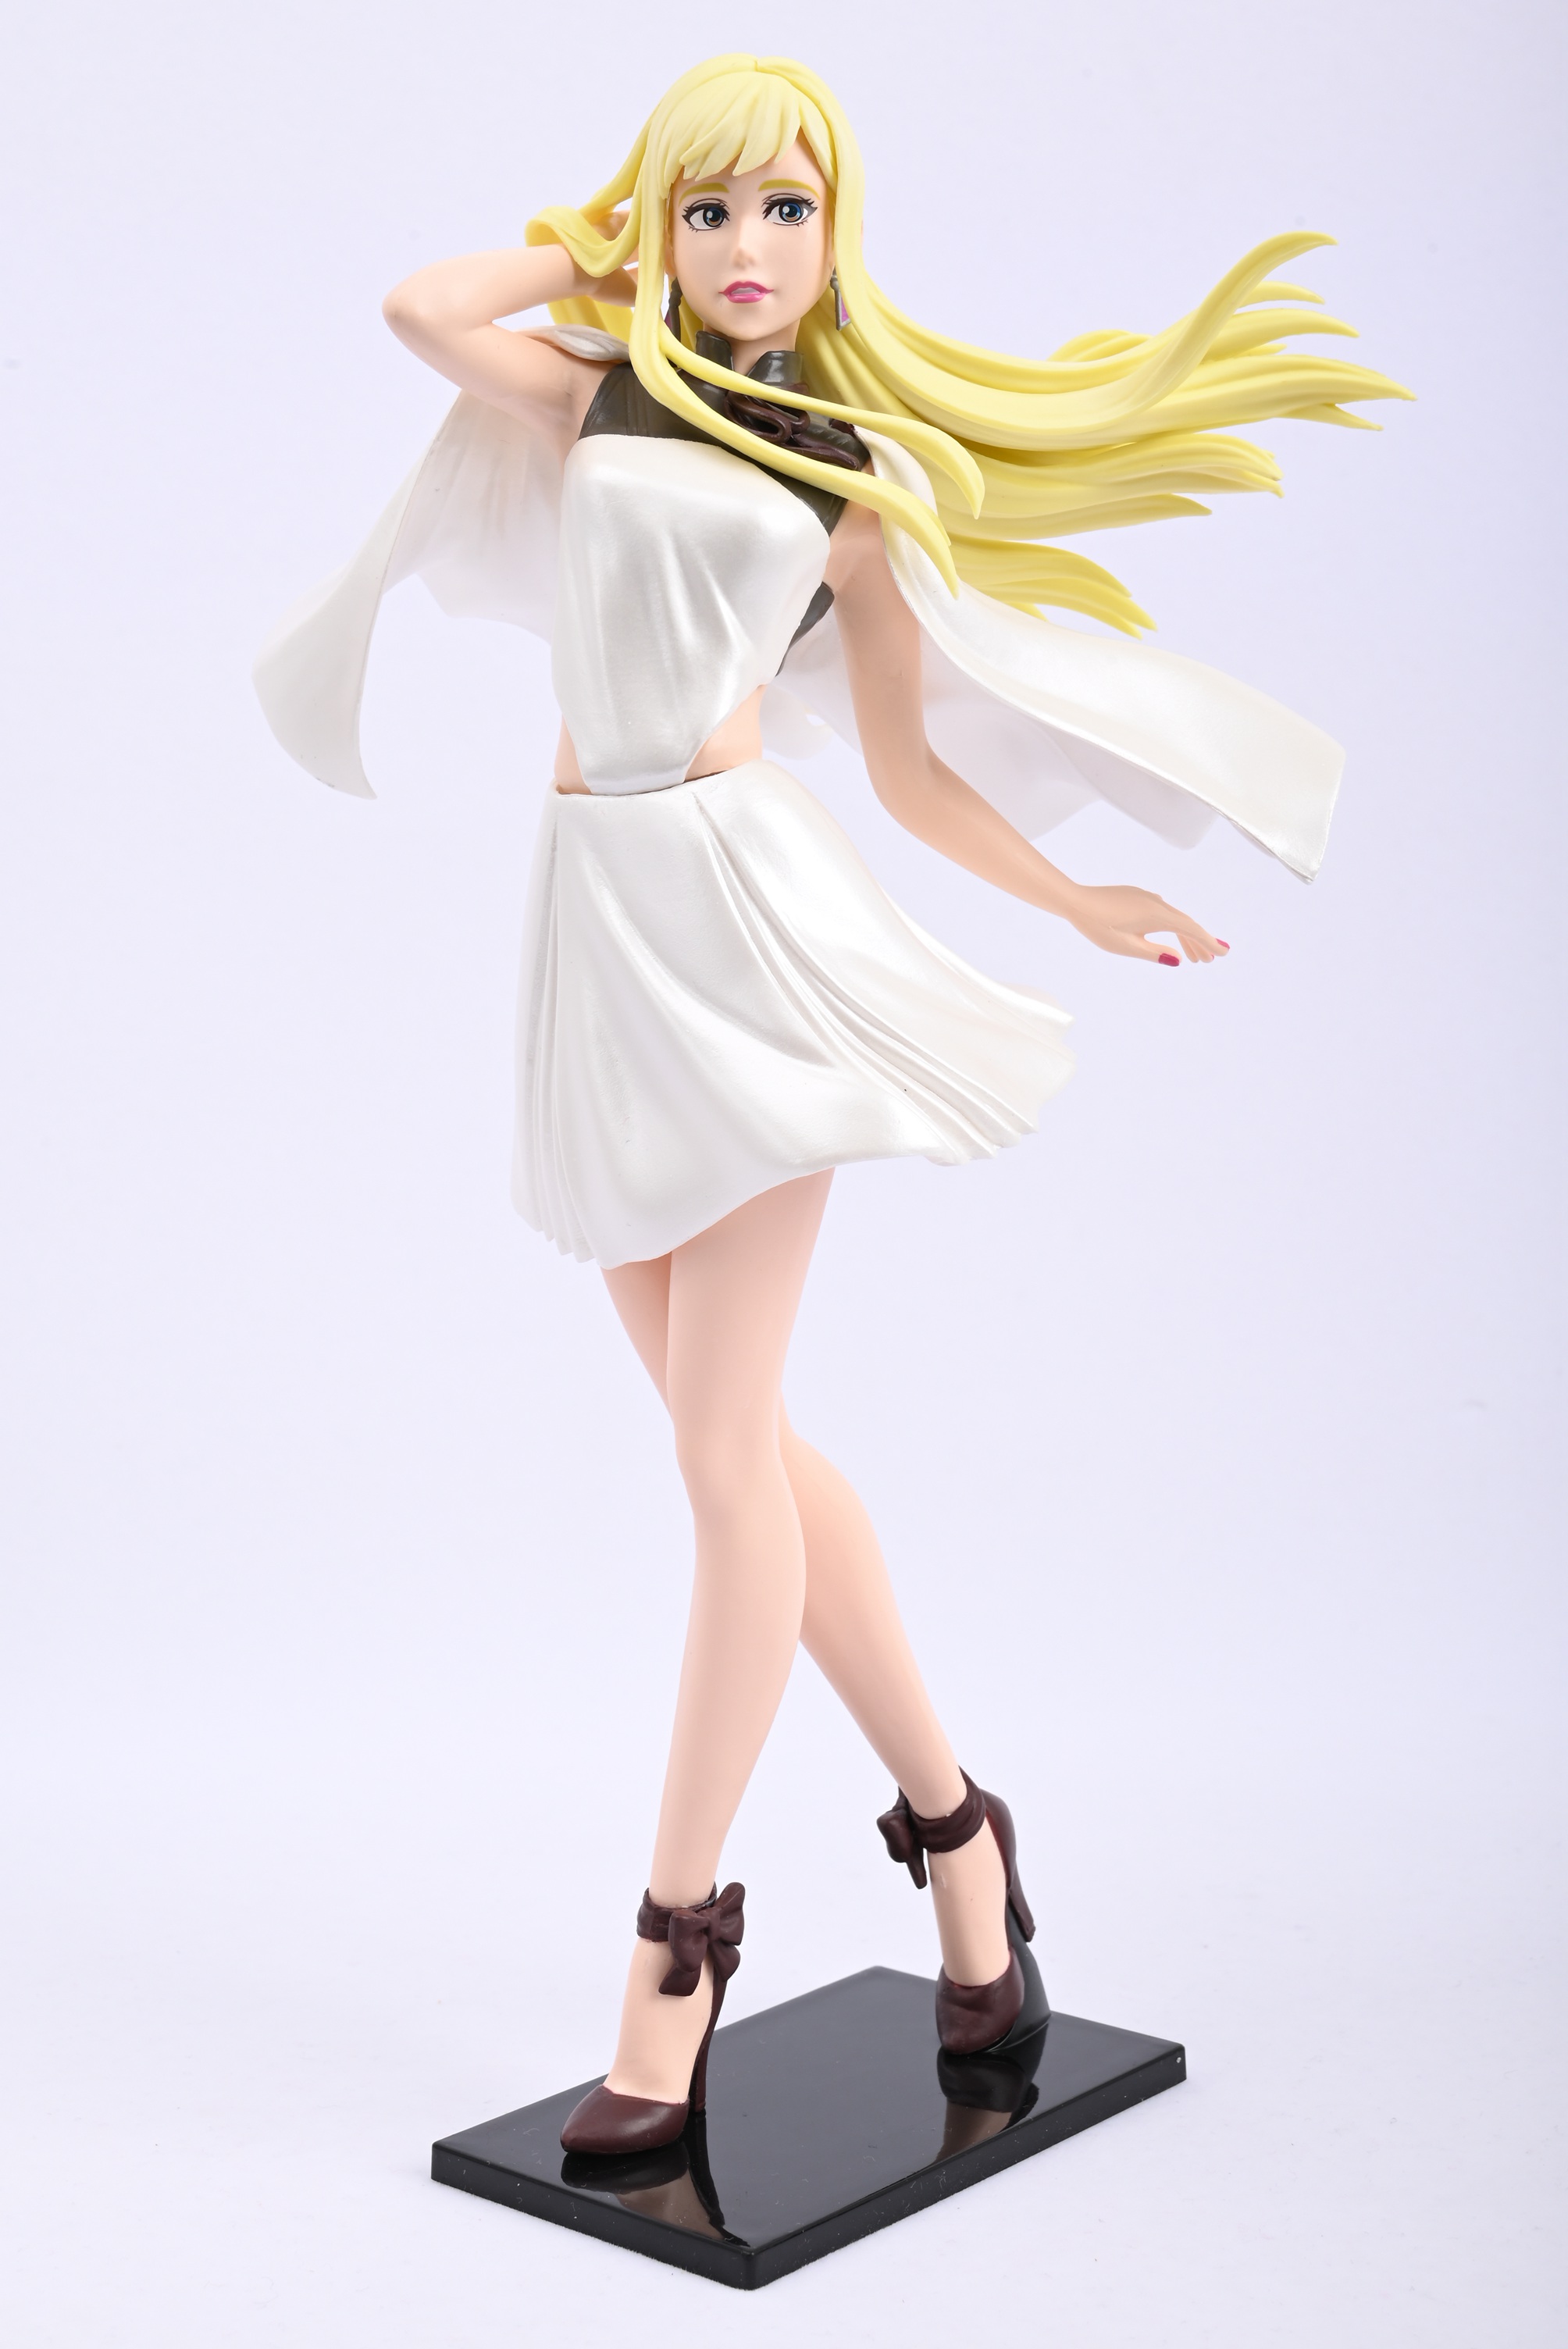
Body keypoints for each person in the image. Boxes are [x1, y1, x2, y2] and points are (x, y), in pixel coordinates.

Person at [254, 53, 1404, 2158]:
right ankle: (962, 1843)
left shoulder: (846, 471)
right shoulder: (602, 392)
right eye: (712, 209)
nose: (746, 246)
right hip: (591, 923)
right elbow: (423, 305)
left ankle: (676, 1946)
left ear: (838, 233)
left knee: (719, 1461)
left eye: (784, 208)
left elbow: (909, 772)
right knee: (756, 1452)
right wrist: (604, 239)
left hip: (741, 925)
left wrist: (1078, 895)